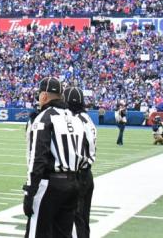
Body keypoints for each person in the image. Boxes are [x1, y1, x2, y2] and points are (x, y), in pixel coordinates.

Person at [23, 77, 81, 238]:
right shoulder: (74, 118)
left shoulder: (44, 117)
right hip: (73, 182)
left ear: (44, 96)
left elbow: (37, 158)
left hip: (50, 184)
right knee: (63, 234)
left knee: (37, 233)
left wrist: (29, 191)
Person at [63, 86, 97, 238]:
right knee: (83, 218)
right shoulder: (87, 118)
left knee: (75, 219)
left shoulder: (75, 120)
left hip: (78, 173)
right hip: (87, 172)